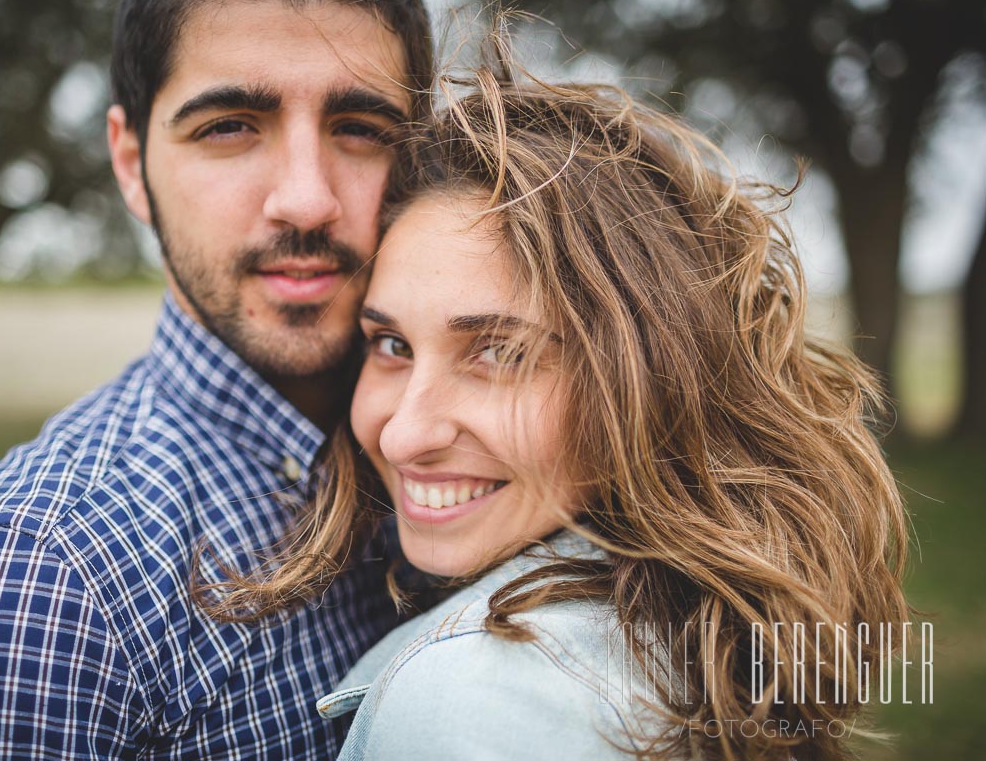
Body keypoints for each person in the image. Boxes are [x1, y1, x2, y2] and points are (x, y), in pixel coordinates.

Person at [202, 60, 911, 760]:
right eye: (389, 343)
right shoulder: (695, 617)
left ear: (647, 376)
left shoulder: (471, 703)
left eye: (498, 353)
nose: (405, 434)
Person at [0, 0, 431, 758]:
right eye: (230, 126)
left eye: (362, 128)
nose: (306, 201)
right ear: (132, 163)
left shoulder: (464, 466)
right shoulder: (29, 589)